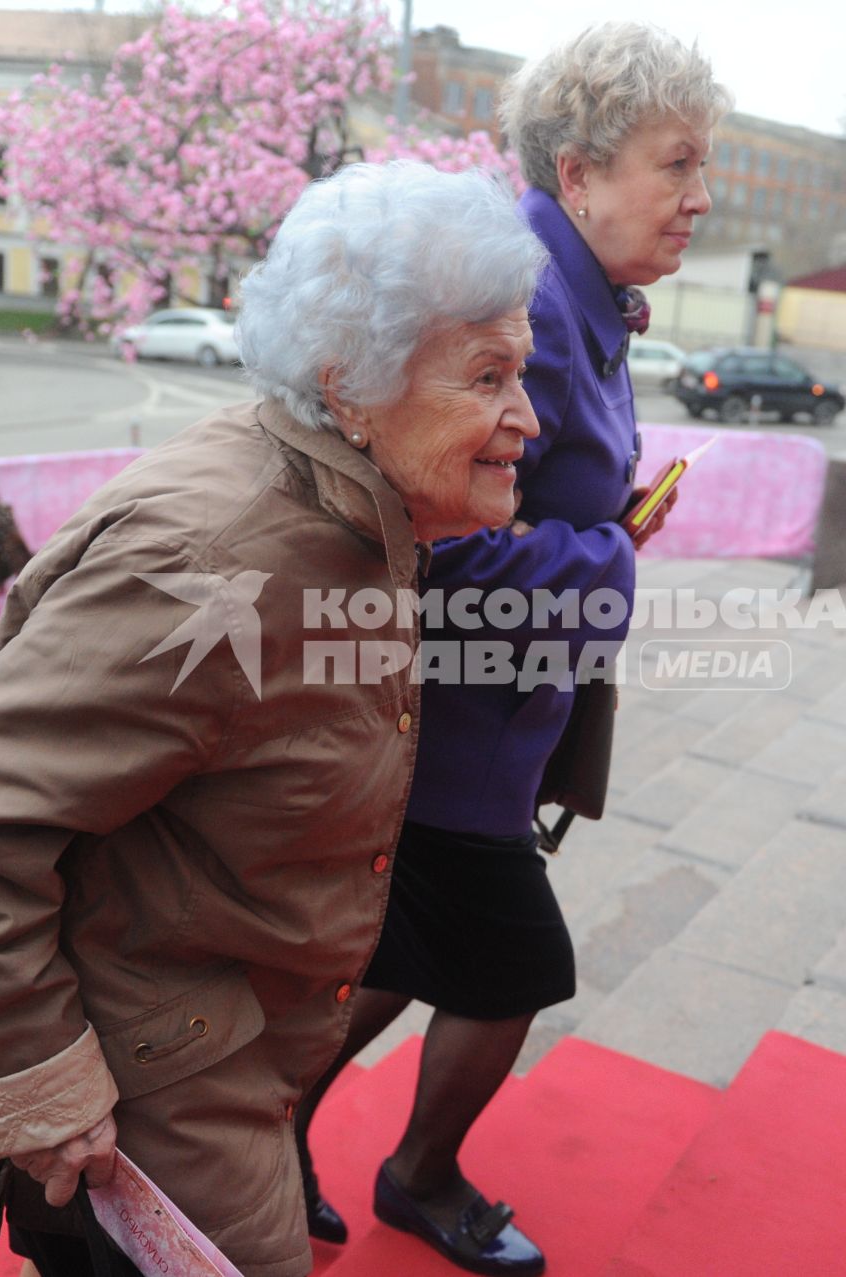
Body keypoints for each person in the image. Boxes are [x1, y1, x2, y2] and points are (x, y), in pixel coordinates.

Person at [0, 161, 547, 1277]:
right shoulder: (216, 561)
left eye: (520, 371)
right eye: (486, 376)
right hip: (139, 1103)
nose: (526, 415)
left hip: (213, 1058)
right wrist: (44, 1092)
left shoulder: (351, 513)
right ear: (351, 389)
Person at [294, 23, 727, 1276]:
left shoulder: (584, 294)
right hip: (450, 721)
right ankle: (417, 1174)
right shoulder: (521, 290)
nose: (701, 197)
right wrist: (607, 560)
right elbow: (431, 540)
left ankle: (261, 1126)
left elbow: (533, 494)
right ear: (579, 173)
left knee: (405, 947)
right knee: (515, 965)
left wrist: (589, 528)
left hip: (497, 710)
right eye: (677, 164)